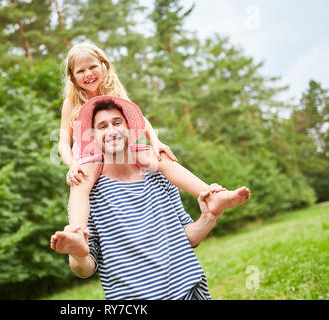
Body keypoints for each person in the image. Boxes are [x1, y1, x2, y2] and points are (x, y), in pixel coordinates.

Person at [51, 97, 250, 299]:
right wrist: (76, 253)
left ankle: (215, 197)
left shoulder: (159, 175)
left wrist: (209, 217)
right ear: (93, 137)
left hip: (189, 291)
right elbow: (86, 268)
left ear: (130, 129)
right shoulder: (88, 194)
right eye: (102, 126)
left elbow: (187, 238)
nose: (111, 130)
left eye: (117, 123)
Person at [58, 42, 249, 238]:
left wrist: (156, 141)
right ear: (72, 77)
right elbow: (63, 142)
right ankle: (77, 231)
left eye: (92, 67)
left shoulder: (114, 92)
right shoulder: (71, 103)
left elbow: (142, 119)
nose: (88, 74)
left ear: (103, 65)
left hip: (124, 146)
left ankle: (212, 195)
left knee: (160, 158)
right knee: (80, 182)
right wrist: (72, 165)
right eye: (81, 71)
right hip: (90, 154)